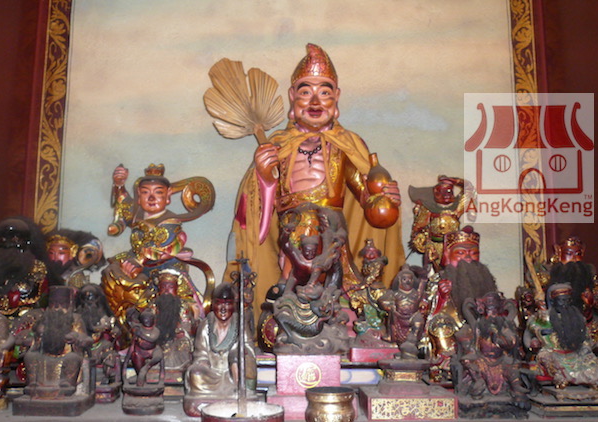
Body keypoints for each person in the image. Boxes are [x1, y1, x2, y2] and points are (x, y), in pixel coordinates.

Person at [228, 43, 405, 321]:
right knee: (296, 253)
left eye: (324, 93)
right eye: (305, 92)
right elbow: (256, 207)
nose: (314, 102)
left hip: (332, 229)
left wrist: (382, 198)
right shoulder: (278, 144)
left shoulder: (347, 145)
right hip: (292, 230)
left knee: (335, 274)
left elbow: (364, 194)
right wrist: (264, 177)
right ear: (292, 97)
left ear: (337, 98)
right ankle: (286, 297)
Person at [102, 164, 214, 325]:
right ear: (139, 196)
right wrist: (119, 184)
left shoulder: (170, 222)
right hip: (138, 264)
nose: (151, 198)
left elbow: (161, 249)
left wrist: (139, 260)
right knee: (111, 274)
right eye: (145, 192)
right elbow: (124, 204)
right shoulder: (138, 214)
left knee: (167, 299)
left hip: (165, 268)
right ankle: (120, 323)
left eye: (158, 193)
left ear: (168, 196)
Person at [525, 283, 598, 389]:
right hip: (552, 351)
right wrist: (531, 344)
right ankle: (561, 379)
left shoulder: (578, 317)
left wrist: (594, 346)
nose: (565, 304)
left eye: (568, 300)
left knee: (587, 354)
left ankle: (594, 378)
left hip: (574, 351)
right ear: (553, 301)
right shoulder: (541, 318)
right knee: (546, 358)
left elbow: (586, 339)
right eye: (562, 300)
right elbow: (528, 334)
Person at [185, 283, 256, 398]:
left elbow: (249, 348)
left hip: (233, 374)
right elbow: (200, 353)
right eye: (219, 303)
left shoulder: (240, 324)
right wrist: (203, 362)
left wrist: (237, 355)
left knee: (241, 361)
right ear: (213, 304)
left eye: (227, 304)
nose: (223, 309)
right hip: (211, 374)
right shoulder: (206, 325)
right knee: (195, 374)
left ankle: (240, 391)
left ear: (234, 305)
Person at [408, 175, 474, 271]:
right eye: (443, 191)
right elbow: (417, 231)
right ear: (436, 193)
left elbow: (469, 189)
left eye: (449, 191)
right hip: (435, 248)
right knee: (436, 274)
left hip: (453, 249)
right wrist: (427, 246)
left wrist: (455, 181)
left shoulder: (456, 209)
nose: (447, 194)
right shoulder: (428, 209)